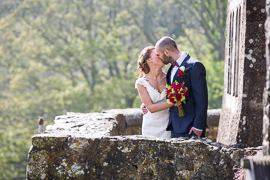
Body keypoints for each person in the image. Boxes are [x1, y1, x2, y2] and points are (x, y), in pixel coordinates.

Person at [142, 36, 208, 138]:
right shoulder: (171, 69)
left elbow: (202, 99)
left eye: (159, 55)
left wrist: (198, 126)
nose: (159, 58)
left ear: (167, 52)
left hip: (191, 127)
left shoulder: (195, 66)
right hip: (173, 127)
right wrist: (148, 102)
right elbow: (169, 93)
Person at [135, 46, 173, 138]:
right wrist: (173, 102)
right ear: (149, 60)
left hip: (169, 126)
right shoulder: (141, 83)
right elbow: (151, 108)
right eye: (157, 54)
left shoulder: (170, 77)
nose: (161, 56)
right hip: (150, 128)